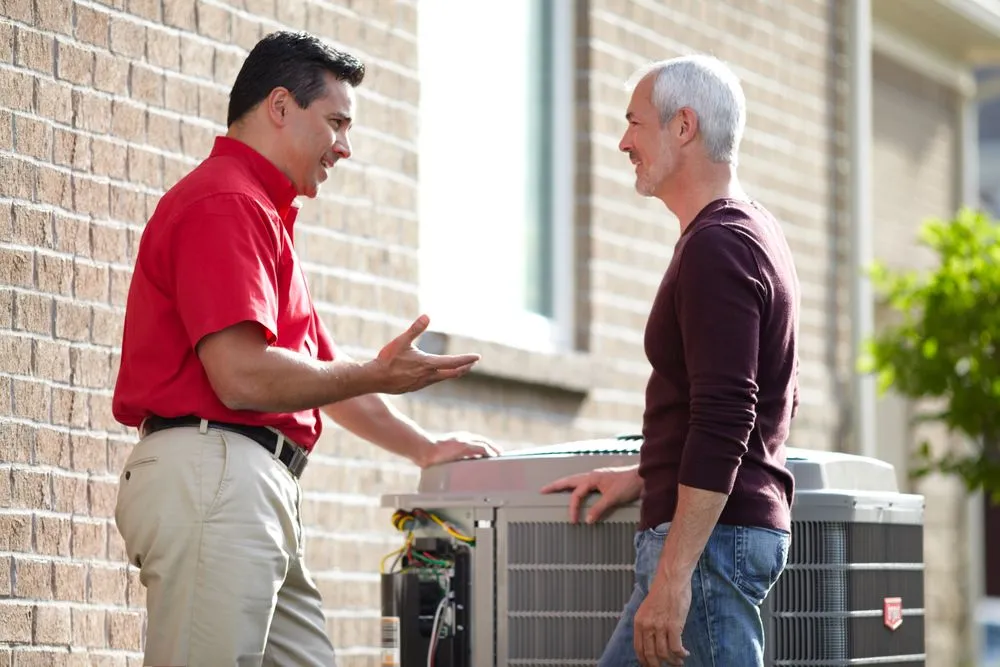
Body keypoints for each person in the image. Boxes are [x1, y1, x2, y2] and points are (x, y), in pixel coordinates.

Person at [111, 30, 499, 667]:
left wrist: (422, 448)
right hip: (219, 476)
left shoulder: (262, 213)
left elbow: (324, 376)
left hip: (244, 485)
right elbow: (242, 377)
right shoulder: (226, 203)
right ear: (281, 106)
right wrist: (377, 372)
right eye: (338, 123)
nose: (346, 147)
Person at [542, 55, 800, 667]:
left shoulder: (719, 244)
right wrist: (646, 471)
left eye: (634, 122)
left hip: (710, 547)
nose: (623, 141)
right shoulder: (749, 231)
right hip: (719, 538)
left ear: (683, 126)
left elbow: (728, 415)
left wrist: (674, 577)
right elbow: (764, 399)